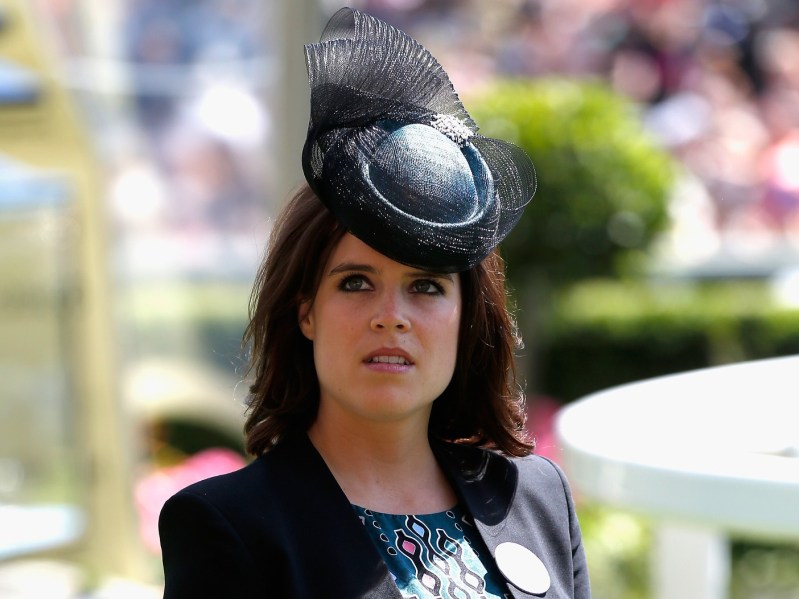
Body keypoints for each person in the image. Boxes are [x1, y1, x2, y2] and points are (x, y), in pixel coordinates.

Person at [159, 7, 591, 598]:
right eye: (356, 282)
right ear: (305, 309)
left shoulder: (538, 496)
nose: (392, 314)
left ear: (467, 317)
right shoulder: (228, 526)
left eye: (427, 286)